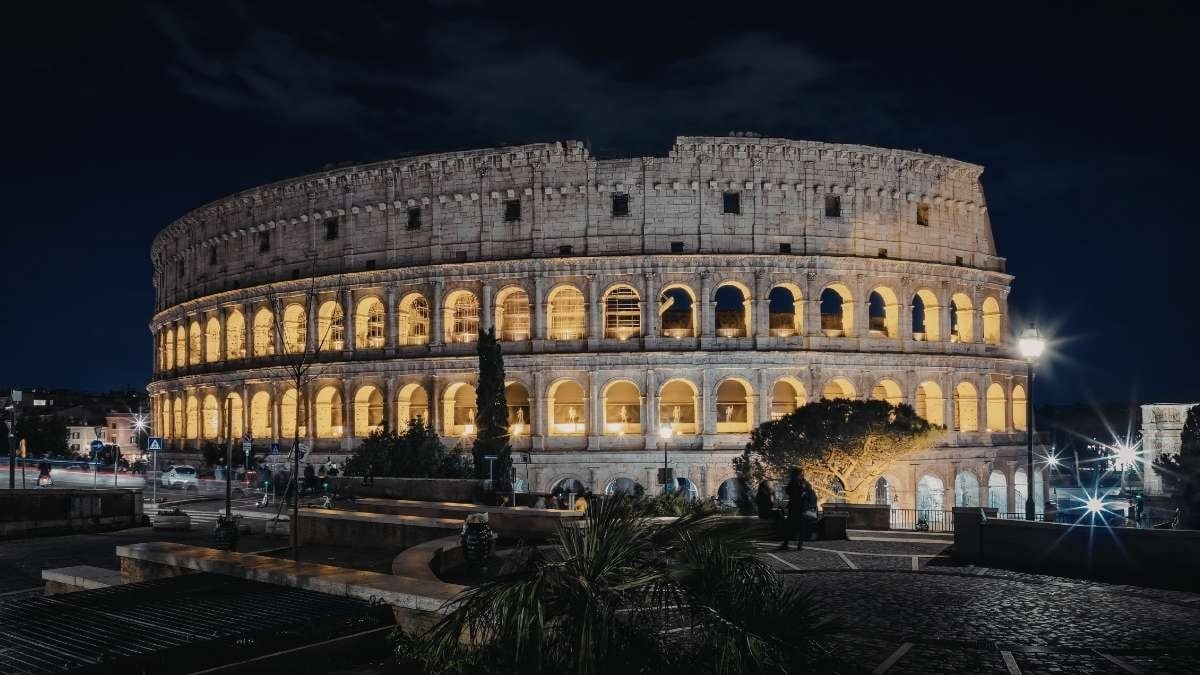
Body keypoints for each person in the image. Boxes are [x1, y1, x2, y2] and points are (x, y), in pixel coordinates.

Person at [779, 469, 808, 551]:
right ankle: (799, 545)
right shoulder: (800, 483)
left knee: (789, 526)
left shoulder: (793, 483)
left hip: (794, 507)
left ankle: (786, 544)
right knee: (800, 527)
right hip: (799, 507)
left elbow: (788, 491)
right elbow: (803, 493)